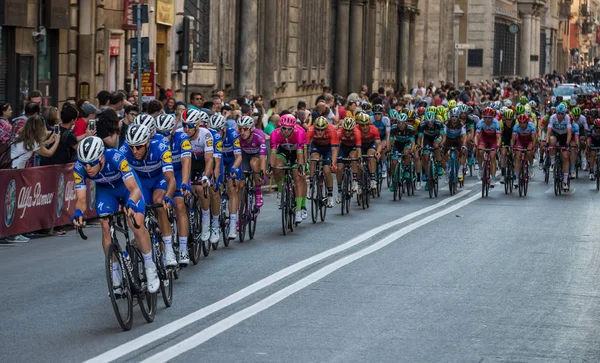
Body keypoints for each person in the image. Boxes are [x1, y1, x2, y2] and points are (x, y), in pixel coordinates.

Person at [72, 136, 159, 294]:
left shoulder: (116, 158)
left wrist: (131, 202)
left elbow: (134, 189)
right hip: (106, 192)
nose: (88, 168)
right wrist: (78, 212)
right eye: (85, 164)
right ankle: (115, 272)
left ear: (101, 157)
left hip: (127, 189)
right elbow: (81, 199)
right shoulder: (78, 168)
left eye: (92, 163)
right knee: (105, 225)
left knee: (136, 223)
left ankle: (150, 267)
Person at [120, 124, 177, 266]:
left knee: (159, 202)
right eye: (131, 147)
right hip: (141, 183)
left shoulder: (161, 147)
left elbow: (171, 178)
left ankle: (169, 249)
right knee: (139, 208)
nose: (134, 151)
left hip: (159, 179)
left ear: (147, 143)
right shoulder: (123, 151)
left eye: (138, 147)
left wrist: (168, 196)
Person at [156, 114, 192, 265]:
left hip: (178, 172)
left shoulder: (182, 137)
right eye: (160, 132)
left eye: (166, 133)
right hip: (164, 173)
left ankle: (183, 250)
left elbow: (186, 161)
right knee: (159, 204)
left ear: (172, 131)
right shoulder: (156, 139)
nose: (163, 136)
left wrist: (184, 183)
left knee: (179, 205)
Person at [237, 115, 267, 207]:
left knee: (254, 163)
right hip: (245, 156)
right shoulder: (238, 137)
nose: (242, 132)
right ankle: (240, 213)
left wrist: (262, 173)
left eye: (245, 129)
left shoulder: (259, 136)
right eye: (240, 129)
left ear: (251, 129)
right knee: (240, 185)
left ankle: (258, 192)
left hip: (257, 155)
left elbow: (262, 157)